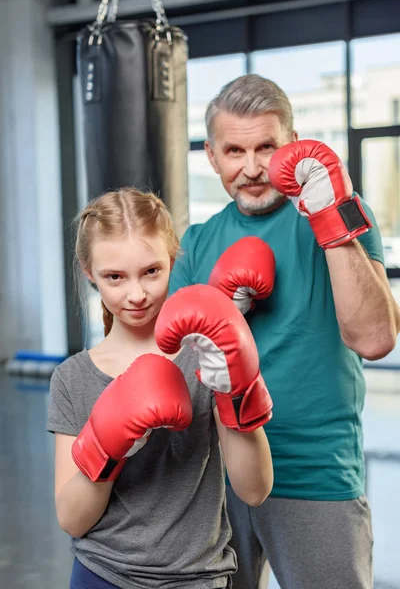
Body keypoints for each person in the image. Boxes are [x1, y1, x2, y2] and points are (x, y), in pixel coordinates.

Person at [169, 74, 400, 589]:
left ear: (292, 148)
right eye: (234, 150)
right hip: (215, 477)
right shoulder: (198, 243)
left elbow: (375, 339)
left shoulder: (343, 216)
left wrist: (329, 222)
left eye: (266, 147)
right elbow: (178, 376)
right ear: (211, 155)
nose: (250, 168)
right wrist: (222, 319)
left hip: (314, 474)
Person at [47, 187, 274, 589]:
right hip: (102, 576)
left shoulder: (204, 356)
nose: (136, 295)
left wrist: (232, 387)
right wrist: (107, 445)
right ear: (88, 272)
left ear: (171, 259)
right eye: (114, 277)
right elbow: (72, 519)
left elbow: (254, 490)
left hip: (198, 578)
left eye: (151, 271)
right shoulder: (72, 378)